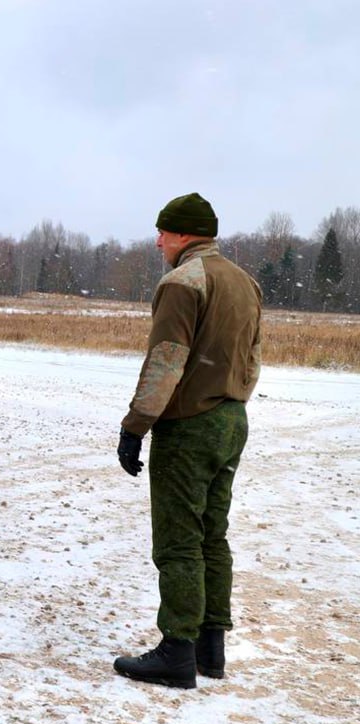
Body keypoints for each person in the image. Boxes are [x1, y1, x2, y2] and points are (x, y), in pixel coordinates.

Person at [113, 192, 262, 690]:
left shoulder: (182, 282)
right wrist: (228, 399)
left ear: (182, 235)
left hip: (189, 424)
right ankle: (209, 647)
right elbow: (252, 357)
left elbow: (166, 361)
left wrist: (135, 426)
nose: (158, 241)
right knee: (212, 535)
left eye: (163, 232)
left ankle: (176, 649)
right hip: (232, 418)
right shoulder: (245, 282)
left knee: (179, 539)